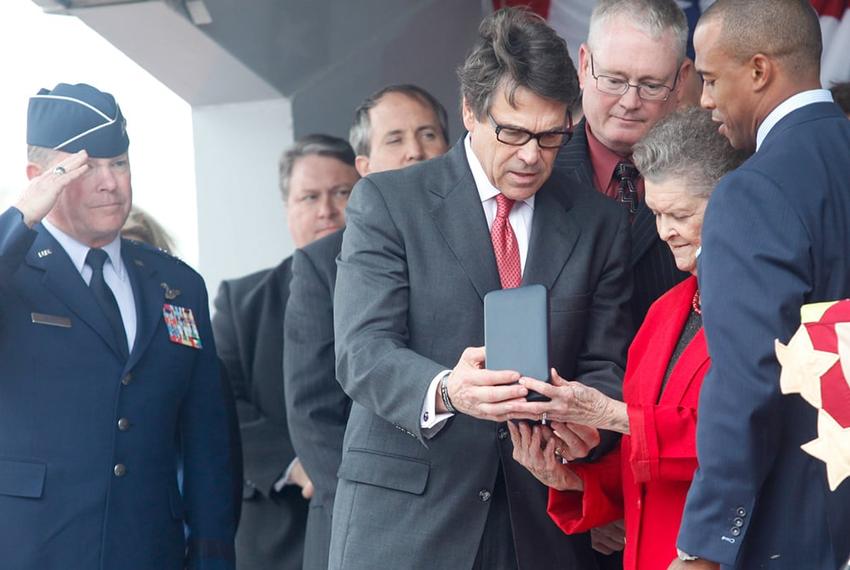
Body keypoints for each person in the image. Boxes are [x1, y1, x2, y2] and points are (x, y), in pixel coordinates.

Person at [331, 8, 633, 569]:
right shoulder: (390, 203)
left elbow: (607, 363)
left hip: (542, 525)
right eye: (513, 131)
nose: (530, 156)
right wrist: (447, 390)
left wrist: (588, 430)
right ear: (470, 110)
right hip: (410, 523)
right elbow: (362, 352)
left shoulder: (598, 222)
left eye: (550, 137)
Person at [0, 82, 235, 569]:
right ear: (38, 177)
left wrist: (213, 552)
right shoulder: (14, 269)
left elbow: (209, 438)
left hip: (148, 548)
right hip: (33, 548)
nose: (111, 182)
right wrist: (19, 217)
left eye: (120, 163)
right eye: (87, 167)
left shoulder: (175, 284)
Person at [507, 107, 745, 570]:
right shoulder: (664, 311)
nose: (664, 232)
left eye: (680, 213)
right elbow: (642, 465)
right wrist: (574, 479)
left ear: (735, 201)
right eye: (656, 213)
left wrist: (610, 413)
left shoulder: (770, 311)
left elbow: (742, 438)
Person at [671, 1, 850, 568]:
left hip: (801, 530)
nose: (703, 99)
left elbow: (749, 380)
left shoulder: (752, 192)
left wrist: (704, 543)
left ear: (758, 71)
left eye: (709, 78)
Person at [283, 84, 449, 570]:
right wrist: (375, 503)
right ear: (364, 167)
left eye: (428, 134)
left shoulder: (486, 241)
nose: (415, 150)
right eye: (394, 139)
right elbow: (312, 412)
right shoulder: (321, 263)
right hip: (364, 523)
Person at [212, 134, 359, 570]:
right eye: (308, 197)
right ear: (286, 208)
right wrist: (297, 464)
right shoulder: (241, 302)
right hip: (279, 534)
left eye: (342, 193)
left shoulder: (402, 288)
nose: (325, 210)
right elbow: (220, 407)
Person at [556, 0, 694, 327]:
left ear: (681, 79)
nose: (630, 102)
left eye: (650, 85)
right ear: (584, 65)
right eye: (614, 80)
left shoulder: (712, 176)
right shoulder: (539, 168)